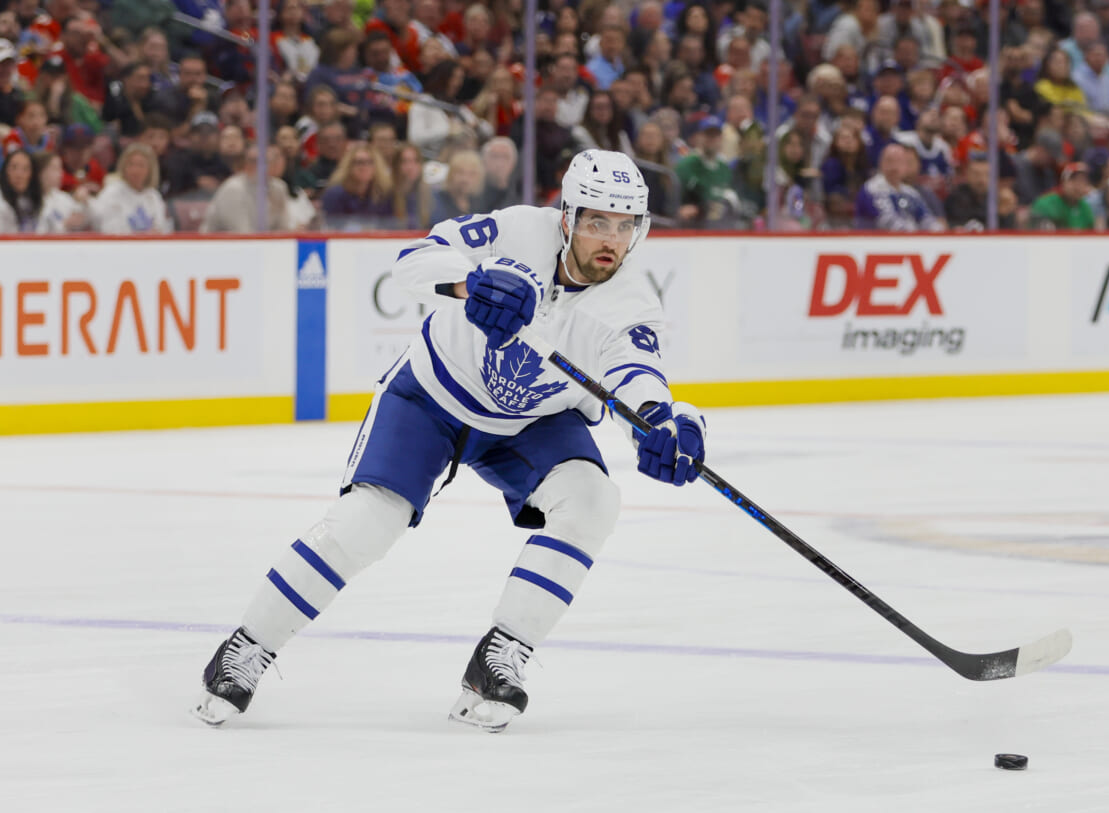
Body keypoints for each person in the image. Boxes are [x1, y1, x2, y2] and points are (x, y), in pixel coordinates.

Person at [190, 149, 707, 733]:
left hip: (529, 422)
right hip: (433, 397)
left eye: (624, 225)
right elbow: (415, 258)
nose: (610, 239)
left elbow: (637, 376)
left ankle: (498, 661)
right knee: (368, 522)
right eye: (595, 222)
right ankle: (249, 646)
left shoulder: (634, 301)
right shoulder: (515, 229)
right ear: (566, 217)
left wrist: (664, 423)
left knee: (593, 500)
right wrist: (471, 283)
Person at [200, 143, 292, 233]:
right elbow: (242, 234)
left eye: (265, 161)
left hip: (262, 245)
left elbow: (283, 229)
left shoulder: (279, 188)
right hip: (218, 245)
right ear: (245, 163)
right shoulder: (233, 189)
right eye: (253, 161)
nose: (258, 166)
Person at [88, 142, 172, 234]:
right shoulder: (112, 192)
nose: (135, 170)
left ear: (150, 169)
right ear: (124, 167)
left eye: (141, 165)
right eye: (131, 164)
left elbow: (162, 227)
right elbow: (103, 225)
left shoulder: (153, 196)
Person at [1029, 162, 1095, 231]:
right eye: (1074, 180)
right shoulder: (1046, 203)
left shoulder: (1085, 208)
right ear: (1063, 182)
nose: (1078, 186)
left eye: (1083, 181)